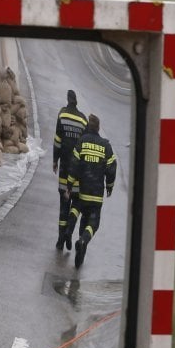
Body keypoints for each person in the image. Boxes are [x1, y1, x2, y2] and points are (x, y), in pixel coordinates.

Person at [64, 114, 117, 267]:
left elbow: (73, 165)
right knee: (93, 222)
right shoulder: (106, 146)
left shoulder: (82, 142)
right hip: (96, 194)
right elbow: (112, 168)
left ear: (88, 126)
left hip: (83, 190)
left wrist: (69, 184)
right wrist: (109, 186)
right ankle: (83, 240)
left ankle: (69, 230)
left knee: (76, 207)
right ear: (98, 128)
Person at [53, 90, 88, 251]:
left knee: (63, 205)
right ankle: (69, 233)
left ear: (68, 100)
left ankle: (61, 239)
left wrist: (55, 160)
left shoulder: (62, 115)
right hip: (78, 173)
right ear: (76, 101)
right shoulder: (83, 119)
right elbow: (85, 147)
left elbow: (58, 141)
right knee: (76, 203)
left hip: (65, 170)